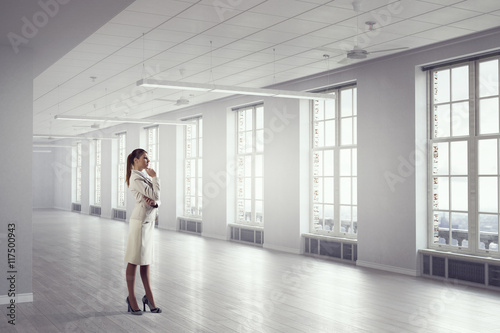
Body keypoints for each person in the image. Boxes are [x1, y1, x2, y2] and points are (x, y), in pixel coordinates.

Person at [124, 148, 162, 315]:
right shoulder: (136, 178)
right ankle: (132, 298)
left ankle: (149, 297)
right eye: (145, 158)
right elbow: (155, 193)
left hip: (147, 221)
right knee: (133, 260)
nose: (148, 161)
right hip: (139, 221)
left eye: (148, 158)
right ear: (136, 160)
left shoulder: (143, 177)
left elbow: (156, 198)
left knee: (145, 262)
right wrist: (155, 178)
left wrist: (155, 203)